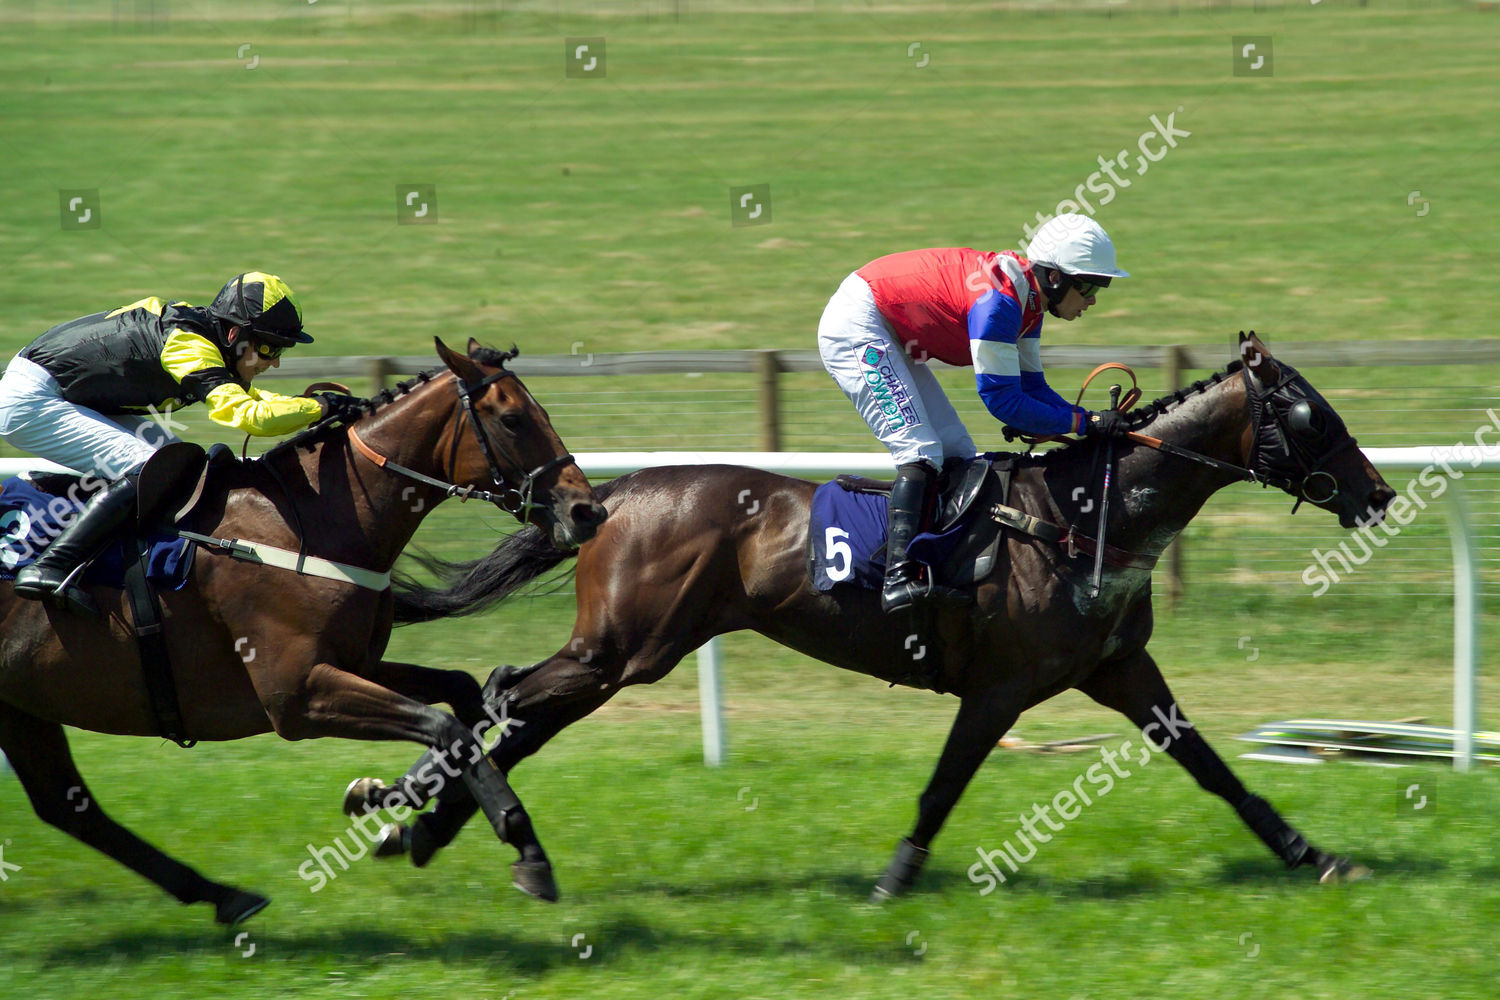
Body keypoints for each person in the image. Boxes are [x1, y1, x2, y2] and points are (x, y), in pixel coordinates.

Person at [817, 214, 1132, 614]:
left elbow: (1031, 389)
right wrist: (1085, 423)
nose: (1092, 299)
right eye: (1089, 285)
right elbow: (1002, 402)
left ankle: (937, 563)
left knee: (956, 451)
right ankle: (896, 580)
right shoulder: (1000, 303)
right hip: (859, 324)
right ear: (1055, 278)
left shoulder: (1027, 301)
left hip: (890, 329)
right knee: (920, 451)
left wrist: (1088, 420)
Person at [0, 271, 362, 606]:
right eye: (269, 348)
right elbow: (248, 415)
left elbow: (252, 401)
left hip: (65, 391)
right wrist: (320, 408)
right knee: (149, 467)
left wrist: (317, 406)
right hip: (32, 400)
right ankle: (50, 567)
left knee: (181, 462)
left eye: (281, 350)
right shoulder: (189, 346)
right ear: (236, 335)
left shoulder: (208, 338)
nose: (275, 362)